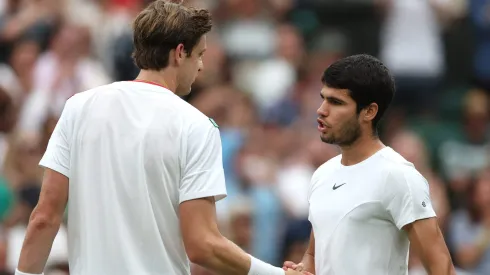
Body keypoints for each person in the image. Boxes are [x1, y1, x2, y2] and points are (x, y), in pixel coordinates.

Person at [13, 1, 305, 275]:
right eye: (199, 54)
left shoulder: (78, 107)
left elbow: (44, 218)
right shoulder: (197, 126)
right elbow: (202, 245)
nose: (201, 66)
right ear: (180, 53)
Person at [283, 54, 456, 275]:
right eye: (323, 98)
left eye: (336, 102)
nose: (321, 110)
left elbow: (442, 269)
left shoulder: (398, 175)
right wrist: (302, 270)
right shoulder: (322, 175)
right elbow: (313, 257)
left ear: (369, 111)